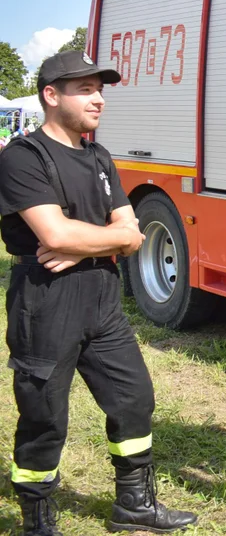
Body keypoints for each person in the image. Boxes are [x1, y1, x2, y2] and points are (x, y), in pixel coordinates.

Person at [0, 50, 198, 535]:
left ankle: (134, 504)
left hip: (102, 300)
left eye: (100, 88)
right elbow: (55, 235)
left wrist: (86, 244)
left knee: (134, 399)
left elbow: (131, 234)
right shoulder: (23, 157)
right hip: (45, 301)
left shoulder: (99, 157)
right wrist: (96, 239)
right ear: (51, 95)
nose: (98, 98)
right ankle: (37, 518)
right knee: (44, 414)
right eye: (84, 89)